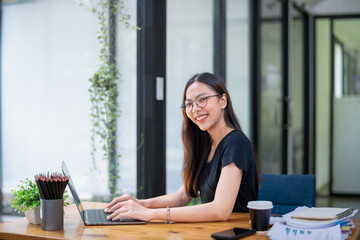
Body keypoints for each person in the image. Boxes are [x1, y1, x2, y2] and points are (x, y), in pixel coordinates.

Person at [105, 72, 259, 222]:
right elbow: (182, 196)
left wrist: (151, 214)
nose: (195, 109)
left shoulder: (236, 143)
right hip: (212, 231)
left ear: (223, 101)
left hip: (237, 233)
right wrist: (139, 203)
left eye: (202, 99)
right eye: (189, 104)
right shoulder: (206, 143)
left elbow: (221, 210)